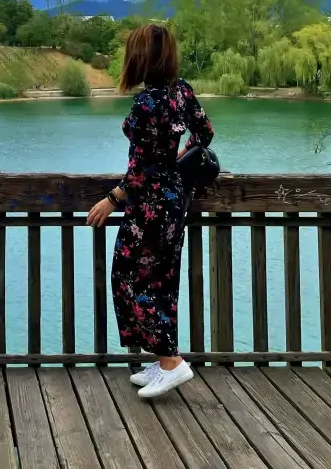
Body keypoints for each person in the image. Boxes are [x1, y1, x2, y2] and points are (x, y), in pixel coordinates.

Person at [87, 23, 214, 399]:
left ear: (140, 58)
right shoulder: (182, 90)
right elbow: (204, 134)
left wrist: (112, 199)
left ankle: (172, 362)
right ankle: (163, 361)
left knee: (128, 278)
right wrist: (178, 158)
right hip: (175, 201)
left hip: (149, 206)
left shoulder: (146, 103)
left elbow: (141, 170)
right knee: (161, 281)